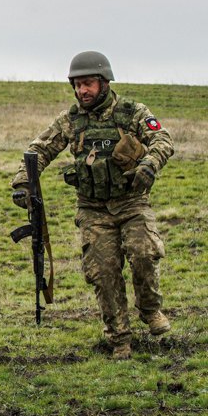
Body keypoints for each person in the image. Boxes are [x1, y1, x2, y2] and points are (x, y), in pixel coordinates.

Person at [11, 51, 174, 359]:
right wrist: (23, 182)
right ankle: (119, 337)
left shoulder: (132, 113)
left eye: (87, 84)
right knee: (102, 271)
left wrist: (150, 163)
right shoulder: (71, 120)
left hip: (131, 202)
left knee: (144, 253)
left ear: (103, 82)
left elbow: (162, 139)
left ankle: (150, 310)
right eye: (77, 85)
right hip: (93, 208)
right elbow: (39, 150)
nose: (81, 91)